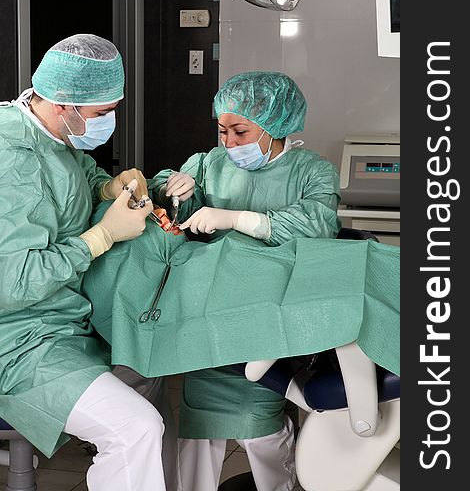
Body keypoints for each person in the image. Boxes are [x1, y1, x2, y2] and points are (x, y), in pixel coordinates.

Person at [153, 71, 342, 491]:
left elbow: (317, 224)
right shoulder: (209, 164)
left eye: (240, 131)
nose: (229, 143)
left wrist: (240, 219)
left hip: (268, 319)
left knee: (261, 427)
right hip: (208, 316)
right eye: (222, 131)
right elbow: (178, 214)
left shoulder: (313, 172)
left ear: (275, 125)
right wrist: (177, 188)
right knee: (198, 431)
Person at [0, 34, 167, 491]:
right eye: (102, 114)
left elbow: (73, 174)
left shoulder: (49, 131)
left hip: (64, 319)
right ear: (61, 104)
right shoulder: (10, 160)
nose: (109, 121)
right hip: (17, 340)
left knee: (155, 366)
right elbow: (11, 284)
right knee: (136, 429)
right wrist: (101, 237)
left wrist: (107, 187)